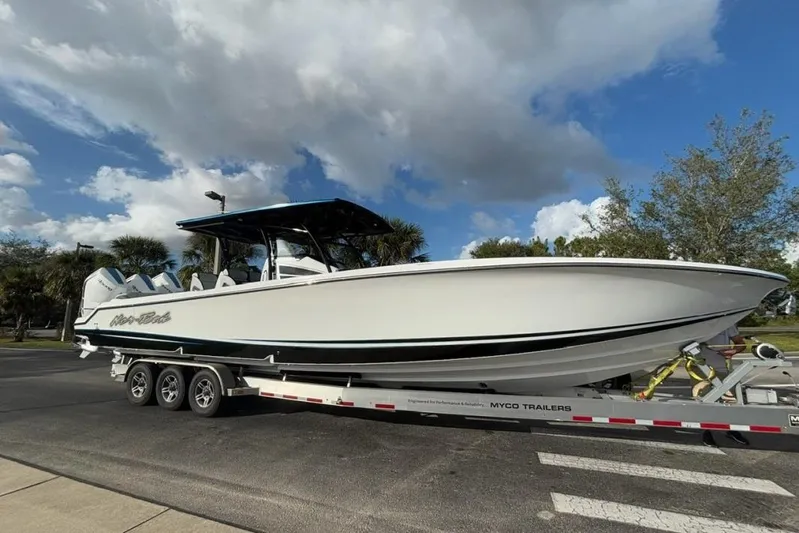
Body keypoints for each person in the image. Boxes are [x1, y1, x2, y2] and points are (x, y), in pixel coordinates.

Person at [698, 323, 749, 446]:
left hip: (721, 369)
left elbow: (740, 343)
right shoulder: (697, 324)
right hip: (699, 369)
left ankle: (732, 430)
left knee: (730, 400)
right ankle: (707, 432)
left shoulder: (727, 323)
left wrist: (734, 350)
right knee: (703, 401)